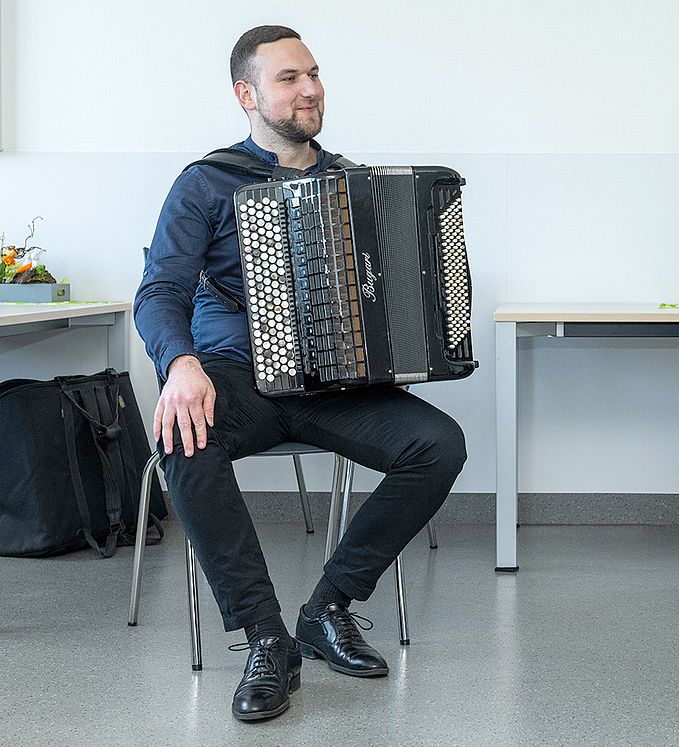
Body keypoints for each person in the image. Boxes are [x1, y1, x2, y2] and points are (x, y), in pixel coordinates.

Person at [134, 25, 467, 721]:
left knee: (439, 443)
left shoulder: (356, 184)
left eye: (313, 74)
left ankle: (327, 607)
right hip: (235, 377)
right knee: (183, 433)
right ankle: (265, 637)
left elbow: (385, 299)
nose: (310, 88)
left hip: (332, 388)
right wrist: (181, 363)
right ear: (246, 94)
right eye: (289, 78)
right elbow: (160, 290)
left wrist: (394, 353)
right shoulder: (207, 181)